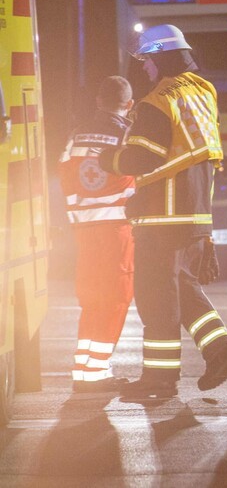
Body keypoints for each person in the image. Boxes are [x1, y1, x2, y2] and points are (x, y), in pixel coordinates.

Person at [99, 24, 227, 400]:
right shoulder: (203, 91)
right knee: (182, 286)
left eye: (147, 61)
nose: (144, 68)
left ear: (161, 58)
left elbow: (144, 156)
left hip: (162, 218)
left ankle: (159, 381)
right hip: (196, 214)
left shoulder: (156, 102)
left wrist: (109, 158)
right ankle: (220, 351)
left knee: (156, 298)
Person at [59, 76, 136, 392]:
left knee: (90, 297)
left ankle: (83, 368)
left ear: (98, 101)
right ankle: (97, 370)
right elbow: (137, 177)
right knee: (117, 297)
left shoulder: (75, 136)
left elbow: (63, 176)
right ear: (128, 105)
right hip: (115, 229)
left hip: (83, 230)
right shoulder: (127, 136)